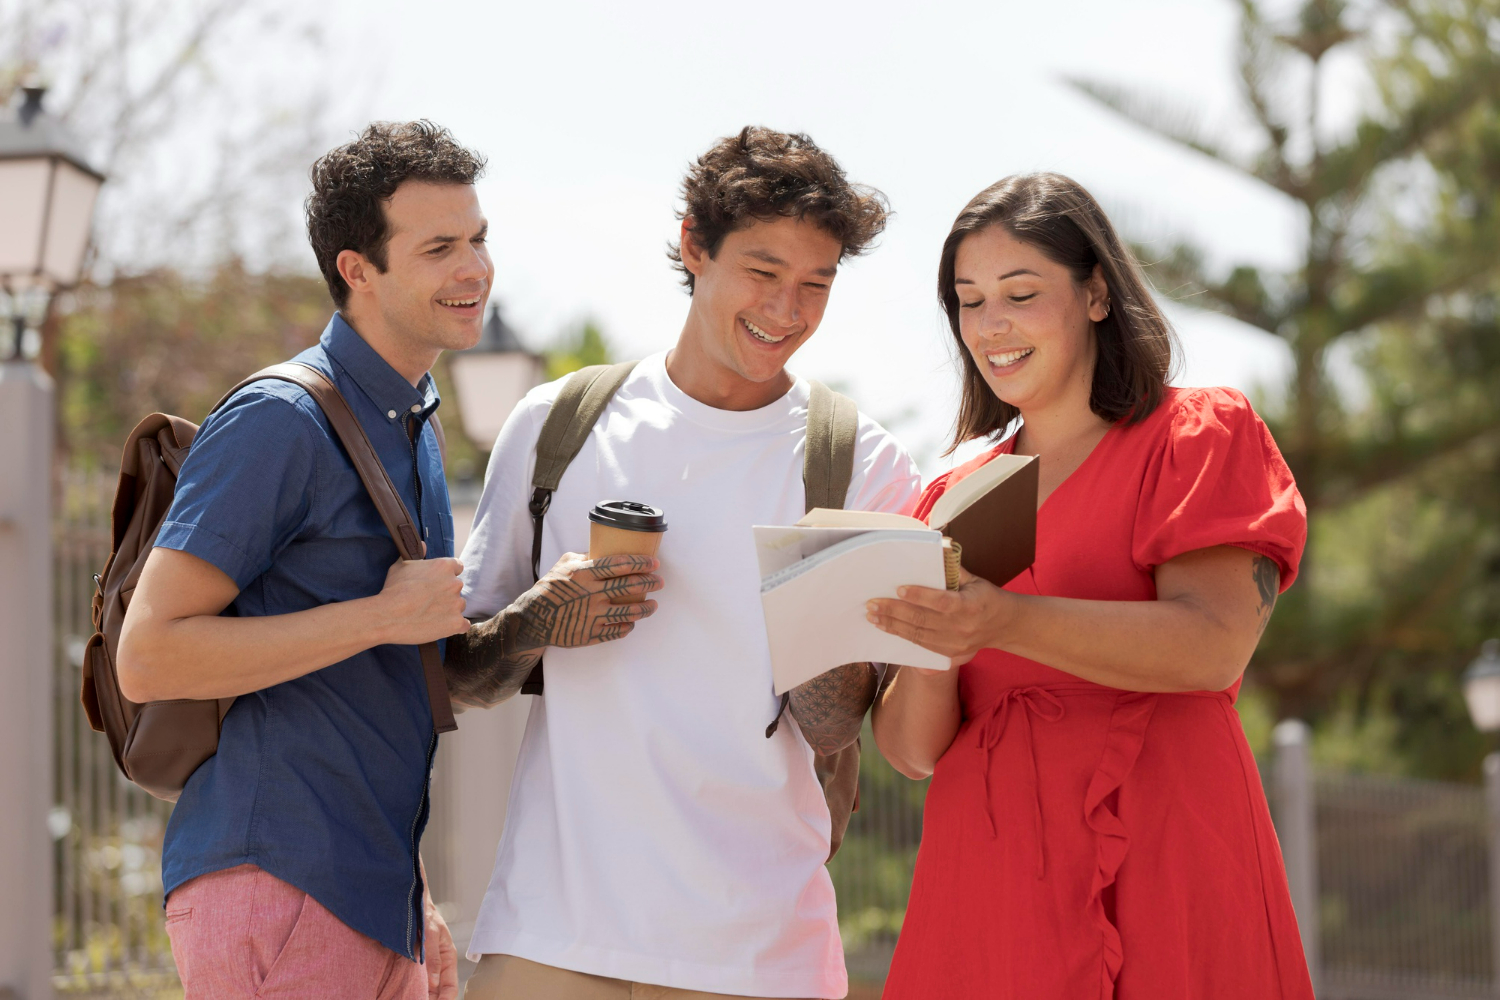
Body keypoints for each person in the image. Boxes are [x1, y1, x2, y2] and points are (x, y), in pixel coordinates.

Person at [447, 126, 920, 1000]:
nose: (788, 310)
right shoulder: (560, 424)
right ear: (693, 244)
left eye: (816, 284)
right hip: (552, 932)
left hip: (757, 951)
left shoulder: (861, 463)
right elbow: (458, 675)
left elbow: (846, 729)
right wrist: (538, 620)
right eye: (763, 272)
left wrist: (823, 618)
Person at [866, 173, 1314, 999]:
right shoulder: (945, 502)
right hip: (992, 882)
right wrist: (937, 637)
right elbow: (910, 750)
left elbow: (1213, 647)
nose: (990, 325)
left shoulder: (1195, 436)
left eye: (1020, 293)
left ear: (1098, 293)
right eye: (968, 302)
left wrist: (1002, 621)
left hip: (1167, 849)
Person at [116, 121, 491, 1000]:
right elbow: (149, 654)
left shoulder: (410, 421)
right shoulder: (282, 418)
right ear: (357, 270)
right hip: (278, 887)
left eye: (477, 239)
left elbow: (373, 706)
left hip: (367, 897)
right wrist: (382, 617)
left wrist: (412, 898)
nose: (473, 268)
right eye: (439, 247)